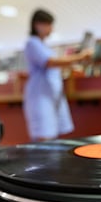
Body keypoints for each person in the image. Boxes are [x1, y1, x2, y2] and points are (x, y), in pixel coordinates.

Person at [23, 9, 91, 142]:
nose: (51, 29)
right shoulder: (32, 43)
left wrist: (77, 61)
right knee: (44, 137)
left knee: (52, 136)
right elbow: (50, 62)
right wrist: (79, 56)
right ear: (38, 25)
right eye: (49, 25)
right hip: (40, 97)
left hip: (51, 97)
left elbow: (56, 66)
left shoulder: (45, 46)